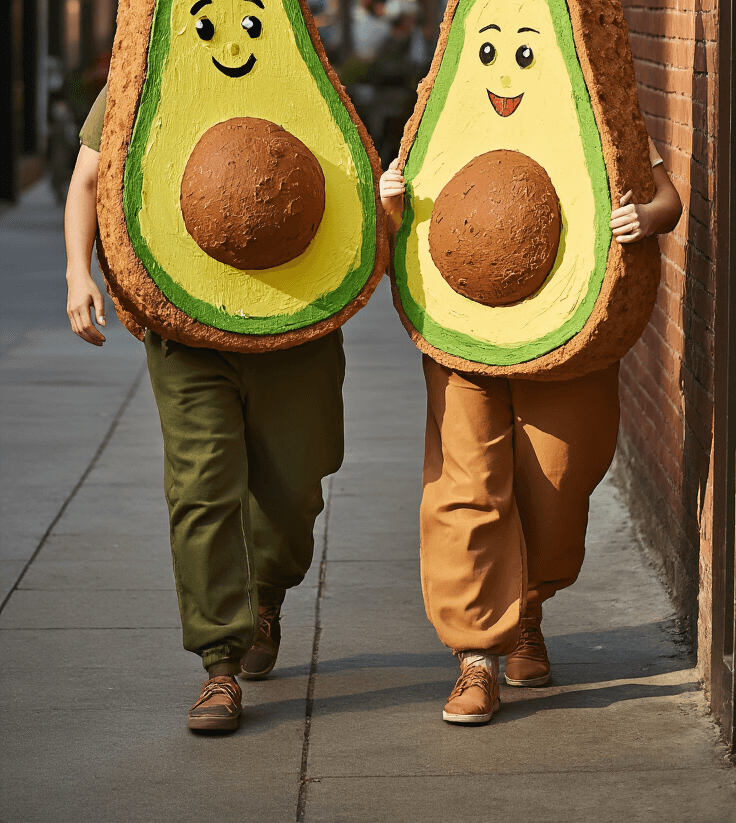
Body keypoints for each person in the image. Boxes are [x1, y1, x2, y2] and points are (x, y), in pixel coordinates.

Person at [65, 85, 346, 733]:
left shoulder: (292, 58)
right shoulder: (150, 65)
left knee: (295, 487)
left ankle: (264, 598)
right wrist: (78, 272)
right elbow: (89, 178)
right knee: (202, 484)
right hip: (185, 324)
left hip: (295, 320)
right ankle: (218, 663)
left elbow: (344, 167)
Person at [379, 136, 682, 725]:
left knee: (556, 482)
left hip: (570, 328)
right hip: (460, 328)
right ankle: (477, 655)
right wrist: (391, 203)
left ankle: (526, 609)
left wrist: (645, 217)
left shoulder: (583, 92)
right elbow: (411, 205)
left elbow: (665, 197)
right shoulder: (455, 92)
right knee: (467, 486)